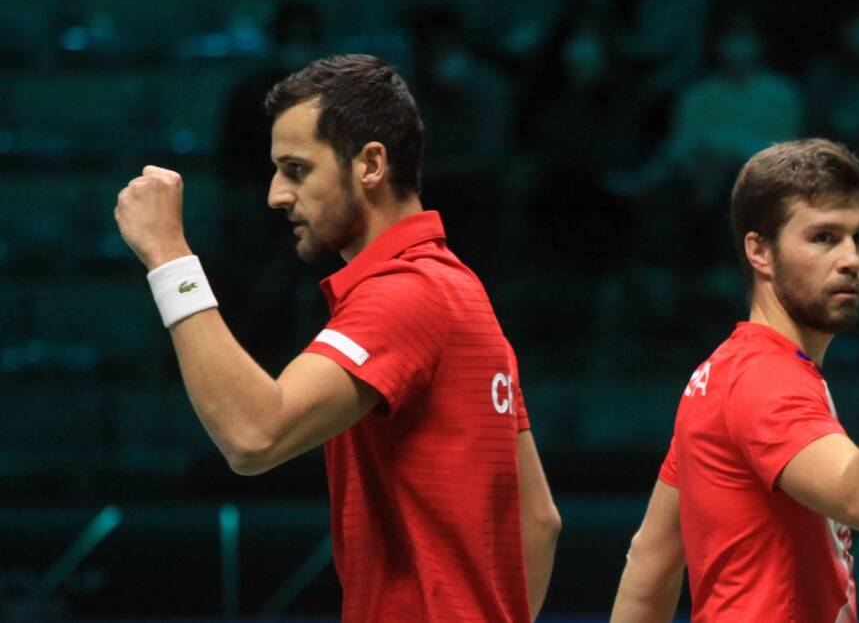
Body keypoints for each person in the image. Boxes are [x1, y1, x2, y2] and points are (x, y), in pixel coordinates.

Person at [114, 54, 560, 622]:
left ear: (371, 163)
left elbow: (255, 433)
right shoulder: (459, 290)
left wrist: (169, 258)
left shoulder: (405, 295)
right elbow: (538, 521)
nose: (276, 194)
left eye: (297, 170)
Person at [610, 139, 859, 622]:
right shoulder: (765, 377)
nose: (851, 259)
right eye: (823, 237)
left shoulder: (719, 374)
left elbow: (648, 565)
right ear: (759, 250)